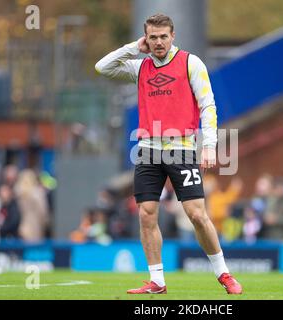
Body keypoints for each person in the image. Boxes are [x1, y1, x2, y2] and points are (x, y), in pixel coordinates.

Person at [96, 13, 242, 294]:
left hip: (183, 148)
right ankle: (157, 281)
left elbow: (207, 105)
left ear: (173, 36)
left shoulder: (190, 62)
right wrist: (131, 48)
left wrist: (209, 145)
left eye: (164, 36)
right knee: (146, 214)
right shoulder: (139, 67)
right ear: (146, 39)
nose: (159, 42)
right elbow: (102, 67)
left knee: (196, 214)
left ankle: (223, 274)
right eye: (153, 37)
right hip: (148, 149)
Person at [14, 169, 49, 242]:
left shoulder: (18, 194)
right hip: (35, 226)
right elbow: (43, 212)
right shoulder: (37, 193)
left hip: (21, 227)